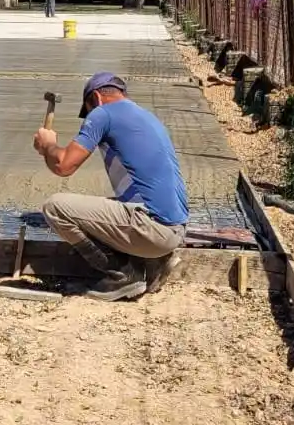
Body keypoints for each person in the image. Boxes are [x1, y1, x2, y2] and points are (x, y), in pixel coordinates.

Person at [33, 72, 189, 301]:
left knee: (54, 207)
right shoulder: (146, 116)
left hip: (153, 230)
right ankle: (155, 261)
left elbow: (63, 166)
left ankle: (123, 275)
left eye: (88, 110)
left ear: (96, 98)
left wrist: (48, 145)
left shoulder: (102, 114)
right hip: (176, 228)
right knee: (111, 204)